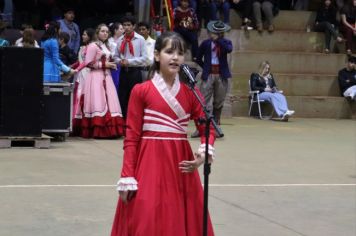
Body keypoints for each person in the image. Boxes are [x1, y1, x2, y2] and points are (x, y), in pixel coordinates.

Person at [111, 31, 215, 236]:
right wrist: (127, 175)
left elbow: (207, 127)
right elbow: (131, 137)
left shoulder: (190, 92)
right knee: (146, 216)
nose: (175, 57)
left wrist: (203, 152)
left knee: (179, 218)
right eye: (169, 52)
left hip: (181, 165)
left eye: (180, 53)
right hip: (149, 162)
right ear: (157, 56)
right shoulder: (141, 91)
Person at [72, 24, 125, 138]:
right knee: (98, 102)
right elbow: (88, 63)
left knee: (109, 102)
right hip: (96, 77)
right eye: (102, 31)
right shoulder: (93, 45)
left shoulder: (106, 46)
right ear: (97, 32)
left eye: (106, 32)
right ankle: (96, 130)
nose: (105, 33)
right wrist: (104, 64)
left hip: (107, 76)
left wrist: (111, 65)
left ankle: (110, 130)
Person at [192, 20, 232, 138]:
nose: (211, 34)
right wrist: (206, 67)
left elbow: (229, 49)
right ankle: (200, 128)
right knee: (203, 101)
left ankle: (216, 125)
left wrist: (218, 40)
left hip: (221, 74)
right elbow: (198, 58)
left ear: (220, 33)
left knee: (218, 102)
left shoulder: (226, 42)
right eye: (211, 32)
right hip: (208, 74)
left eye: (214, 32)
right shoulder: (206, 43)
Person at [114, 15, 147, 119]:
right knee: (122, 97)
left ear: (134, 26)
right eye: (124, 25)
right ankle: (124, 123)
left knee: (135, 98)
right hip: (123, 72)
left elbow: (144, 58)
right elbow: (115, 57)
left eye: (129, 25)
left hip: (135, 72)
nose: (126, 27)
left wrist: (130, 62)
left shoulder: (140, 39)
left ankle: (135, 121)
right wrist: (120, 61)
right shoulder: (120, 40)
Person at [71, 28, 95, 120]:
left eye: (85, 34)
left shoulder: (92, 47)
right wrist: (71, 67)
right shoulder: (82, 48)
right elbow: (80, 61)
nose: (82, 36)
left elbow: (86, 62)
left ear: (89, 36)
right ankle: (75, 119)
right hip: (79, 75)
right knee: (77, 96)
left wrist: (76, 69)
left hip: (87, 74)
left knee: (84, 96)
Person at [108, 22, 124, 94]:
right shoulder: (109, 41)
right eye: (121, 29)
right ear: (115, 30)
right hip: (113, 65)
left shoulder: (123, 40)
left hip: (122, 65)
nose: (123, 30)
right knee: (114, 84)